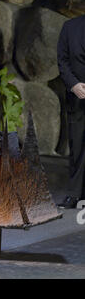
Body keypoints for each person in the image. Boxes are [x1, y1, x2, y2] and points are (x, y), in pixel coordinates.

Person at [57, 14, 85, 209]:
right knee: (76, 146)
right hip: (77, 96)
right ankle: (75, 194)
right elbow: (62, 60)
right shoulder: (70, 27)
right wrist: (73, 85)